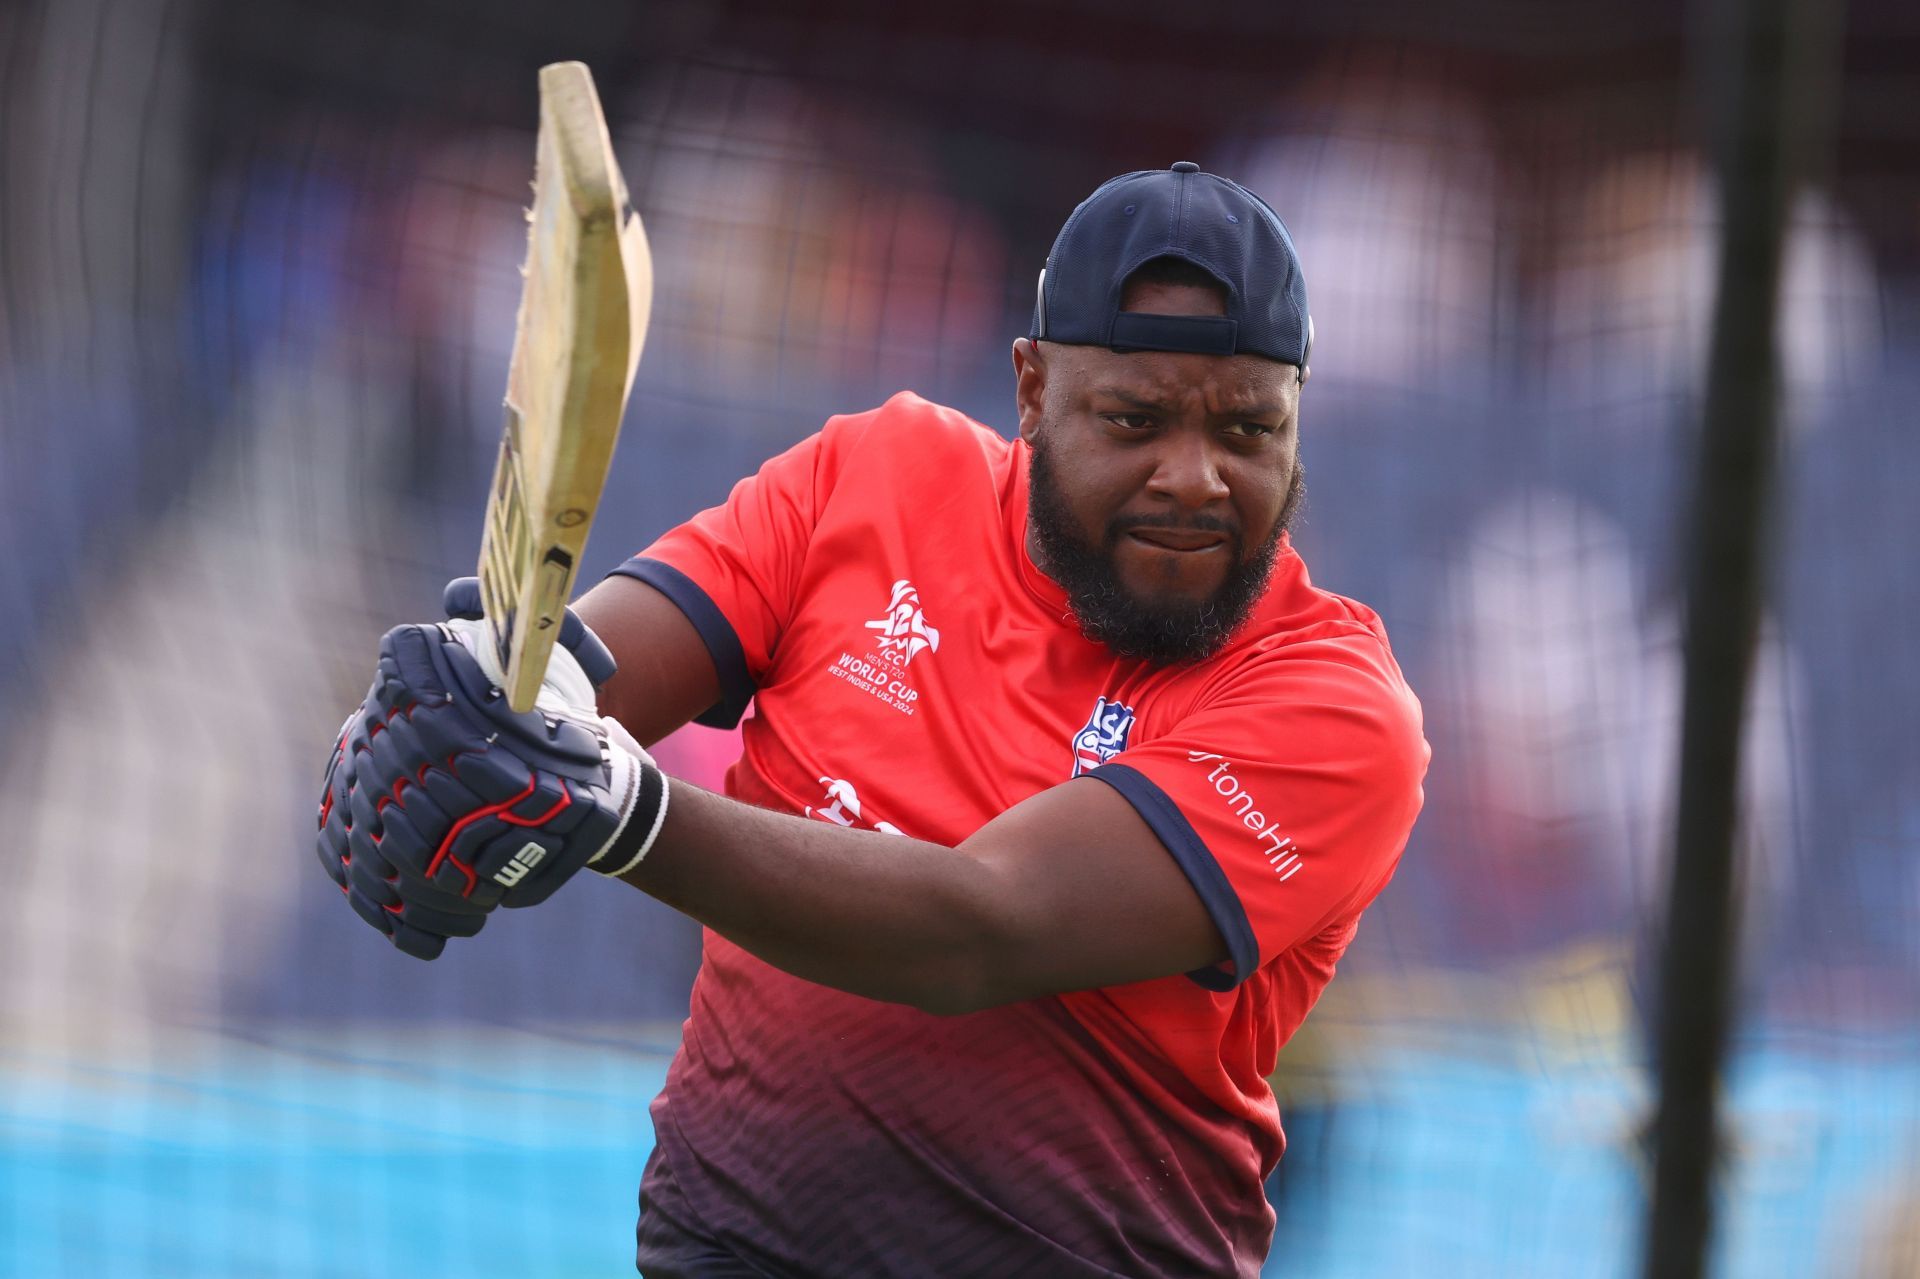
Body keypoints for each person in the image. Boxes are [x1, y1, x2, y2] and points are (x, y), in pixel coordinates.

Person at [316, 163, 1429, 1278]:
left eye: (1249, 429)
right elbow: (592, 675)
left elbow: (979, 929)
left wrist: (617, 809)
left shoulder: (1336, 697)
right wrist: (481, 706)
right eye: (1135, 419)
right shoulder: (876, 474)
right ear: (1034, 390)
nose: (1195, 477)